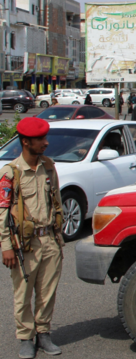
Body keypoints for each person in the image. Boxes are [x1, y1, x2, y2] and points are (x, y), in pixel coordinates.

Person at [0, 118, 65, 358]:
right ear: (26, 142)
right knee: (23, 294)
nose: (46, 143)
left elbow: (56, 202)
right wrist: (6, 246)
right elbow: (3, 212)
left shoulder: (49, 166)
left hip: (49, 239)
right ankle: (25, 337)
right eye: (40, 140)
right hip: (24, 245)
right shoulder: (11, 173)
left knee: (47, 292)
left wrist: (59, 239)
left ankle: (44, 334)